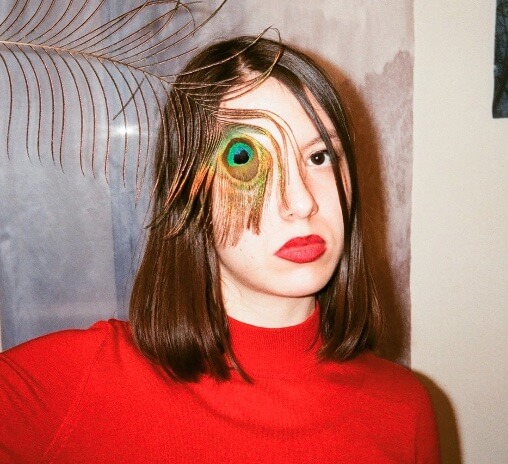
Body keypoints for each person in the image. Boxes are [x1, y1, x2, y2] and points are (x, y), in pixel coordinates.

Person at [0, 36, 439, 463]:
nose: (302, 201)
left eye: (319, 156)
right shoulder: (77, 385)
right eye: (244, 160)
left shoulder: (403, 410)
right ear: (190, 198)